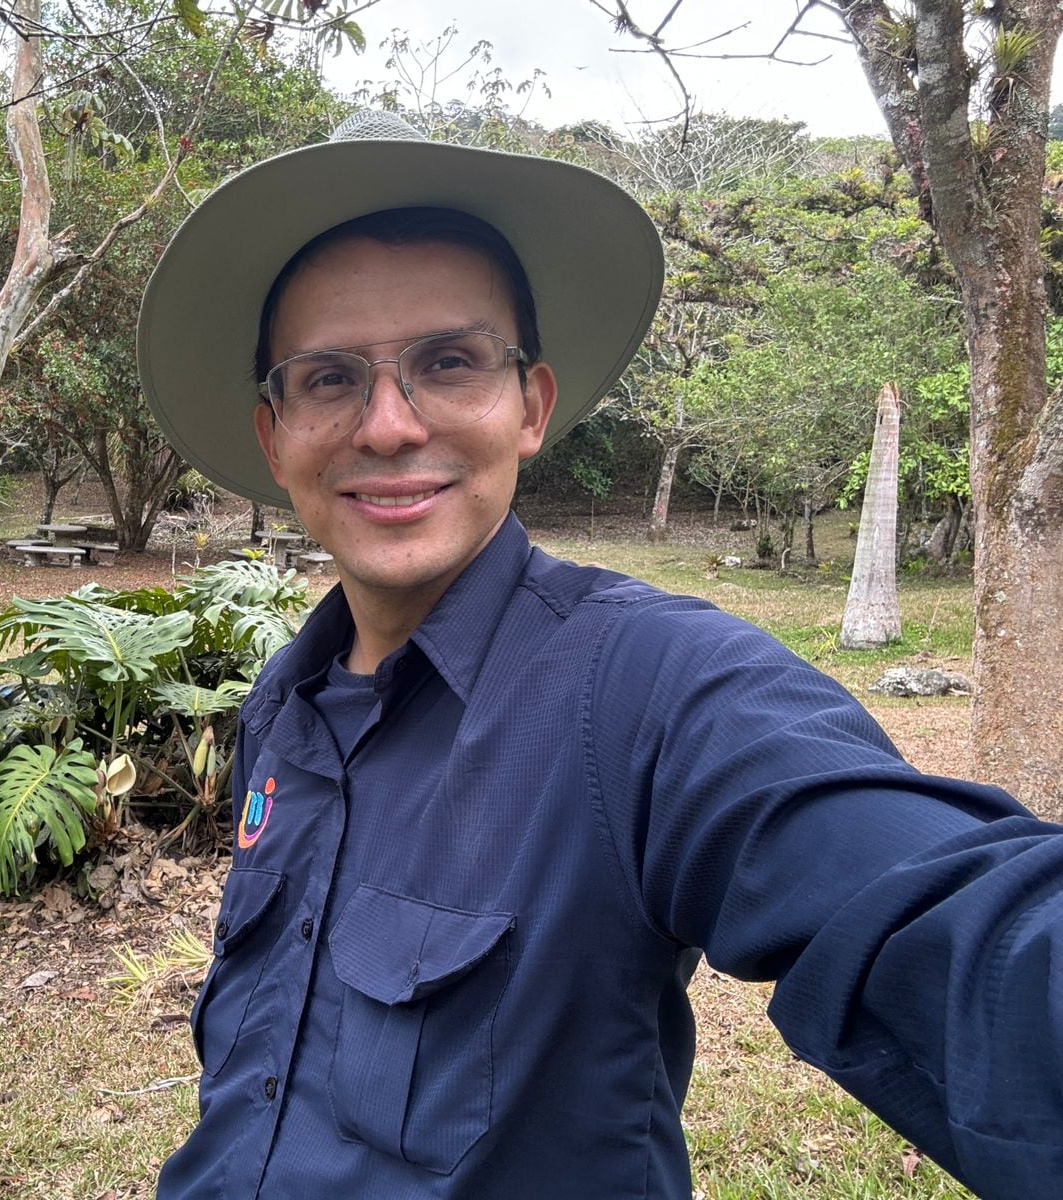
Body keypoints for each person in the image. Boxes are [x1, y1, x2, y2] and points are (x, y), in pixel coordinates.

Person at [135, 112, 1063, 1199]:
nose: (387, 425)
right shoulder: (280, 712)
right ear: (273, 434)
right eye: (329, 378)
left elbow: (948, 914)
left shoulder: (650, 692)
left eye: (447, 361)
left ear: (529, 406)